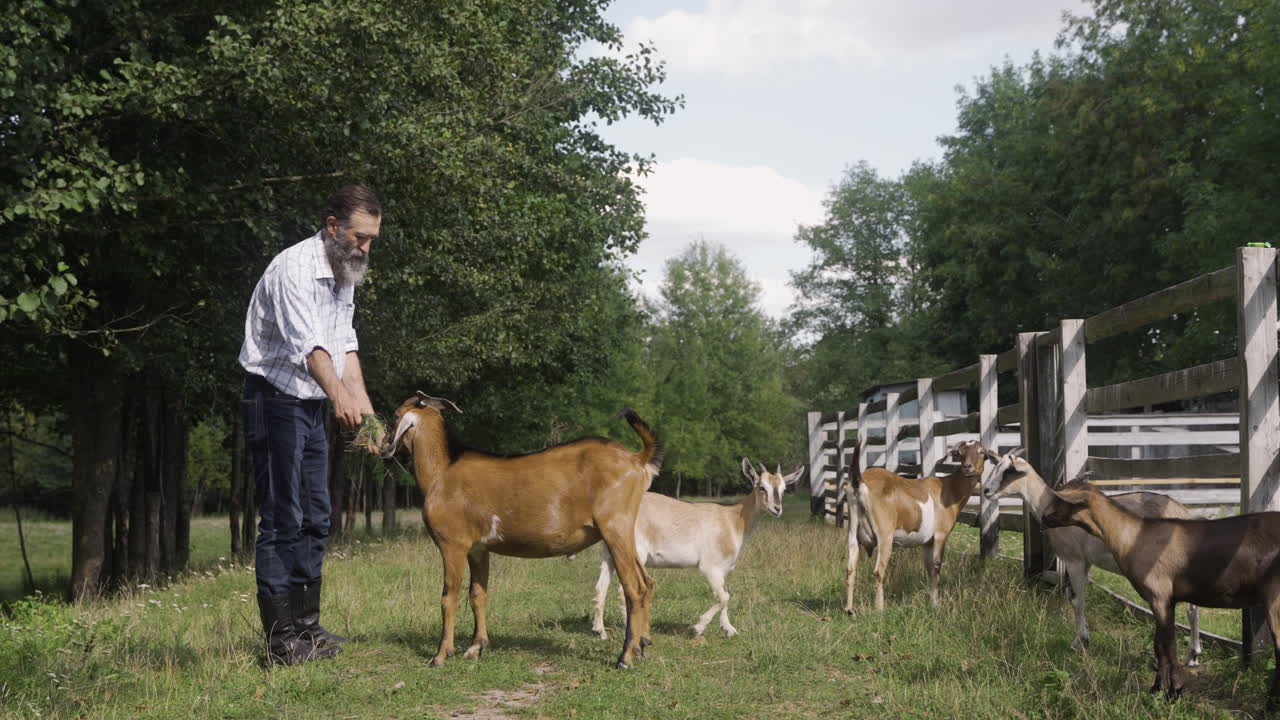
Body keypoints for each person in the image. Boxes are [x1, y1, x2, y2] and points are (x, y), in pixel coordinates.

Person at [239, 185, 382, 666]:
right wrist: (339, 398)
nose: (365, 248)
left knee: (317, 517)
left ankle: (307, 629)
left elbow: (344, 346)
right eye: (359, 238)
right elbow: (311, 348)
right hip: (273, 399)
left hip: (309, 402)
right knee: (282, 518)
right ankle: (280, 644)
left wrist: (367, 414)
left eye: (371, 240)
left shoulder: (344, 273)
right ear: (332, 226)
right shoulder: (294, 269)